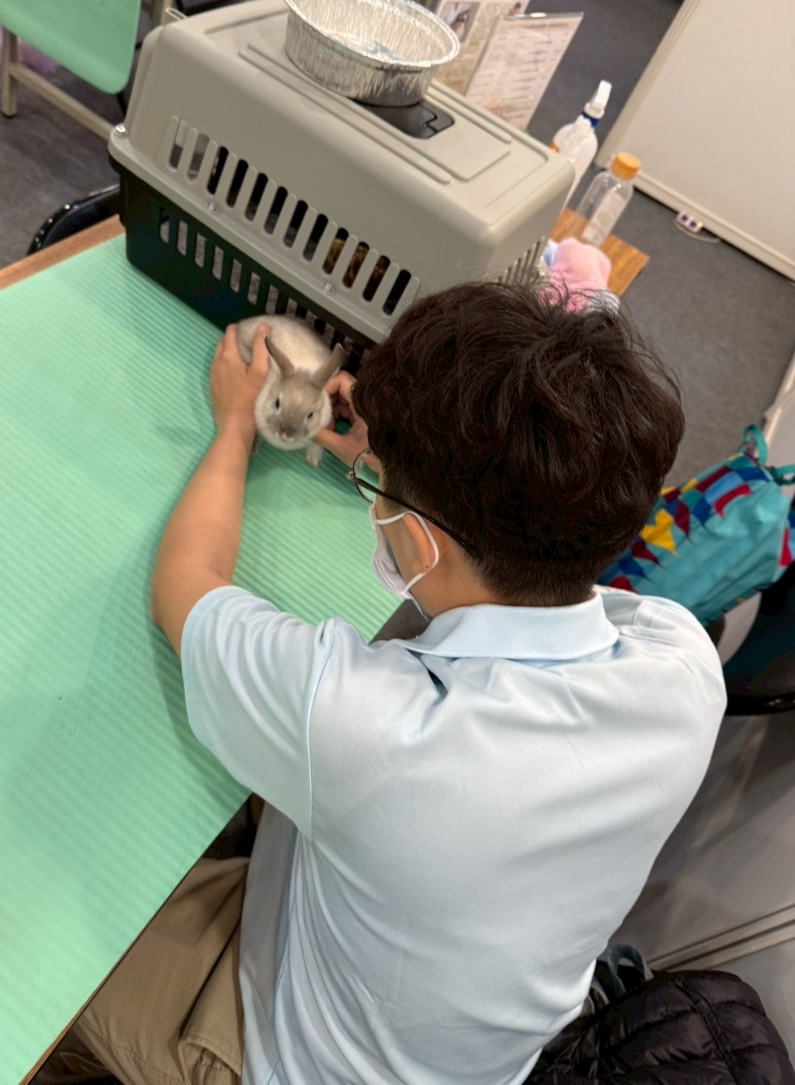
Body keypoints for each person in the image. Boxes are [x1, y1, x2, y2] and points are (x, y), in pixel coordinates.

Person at [38, 280, 726, 1085]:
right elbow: (524, 558)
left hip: (287, 1052)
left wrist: (234, 428)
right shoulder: (685, 665)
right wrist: (404, 470)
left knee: (43, 962)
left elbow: (185, 585)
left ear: (424, 538)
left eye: (380, 489)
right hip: (459, 1054)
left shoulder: (369, 726)